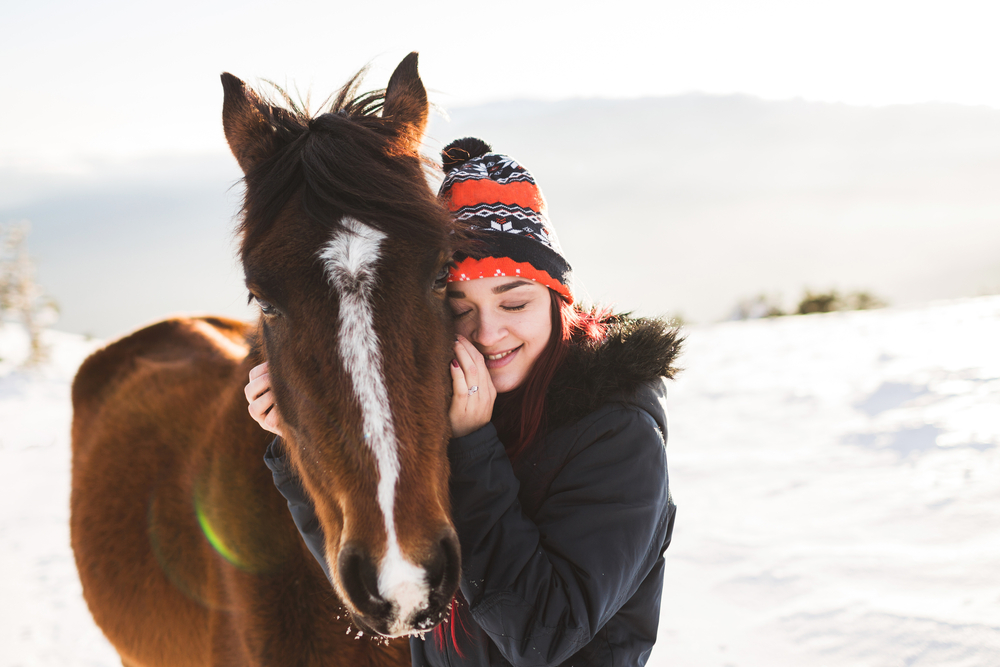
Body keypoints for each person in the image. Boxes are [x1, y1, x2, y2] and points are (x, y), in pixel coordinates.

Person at [245, 138, 681, 667]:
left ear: (557, 301)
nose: (489, 332)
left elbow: (546, 634)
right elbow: (389, 580)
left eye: (515, 301)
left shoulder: (615, 431)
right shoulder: (447, 410)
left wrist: (474, 450)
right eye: (459, 305)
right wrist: (297, 451)